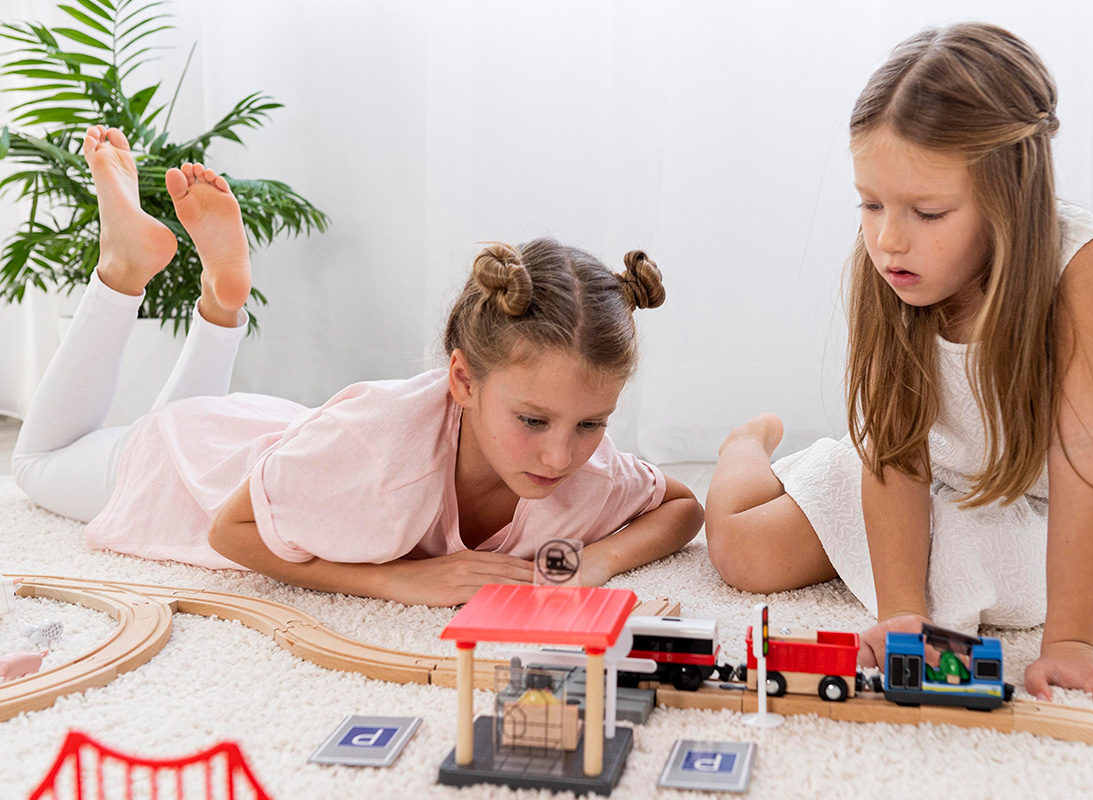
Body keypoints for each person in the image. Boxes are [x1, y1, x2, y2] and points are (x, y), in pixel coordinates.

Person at [704, 23, 1093, 719]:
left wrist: (1075, 640)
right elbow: (896, 450)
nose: (887, 238)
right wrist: (903, 610)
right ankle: (746, 446)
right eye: (870, 203)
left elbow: (1087, 450)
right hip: (904, 470)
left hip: (1020, 499)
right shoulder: (894, 260)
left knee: (1017, 601)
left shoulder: (1076, 264)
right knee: (744, 554)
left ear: (1012, 196)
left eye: (927, 210)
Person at [11, 125, 704, 607]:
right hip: (190, 468)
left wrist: (601, 561)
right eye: (533, 419)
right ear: (463, 379)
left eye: (591, 424)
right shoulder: (379, 446)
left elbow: (681, 507)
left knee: (182, 416)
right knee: (37, 465)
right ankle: (121, 273)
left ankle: (223, 307)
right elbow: (230, 529)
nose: (562, 453)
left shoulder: (589, 469)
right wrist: (397, 582)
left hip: (272, 438)